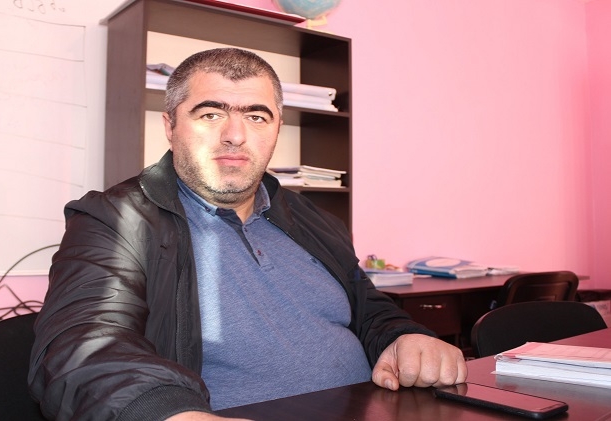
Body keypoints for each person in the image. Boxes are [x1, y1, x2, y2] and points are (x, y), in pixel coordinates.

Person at [29, 47, 467, 421]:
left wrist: (406, 337)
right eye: (211, 113)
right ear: (170, 126)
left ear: (276, 129)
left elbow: (368, 309)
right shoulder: (116, 219)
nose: (235, 136)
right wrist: (170, 412)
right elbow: (85, 343)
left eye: (257, 116)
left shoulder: (311, 218)